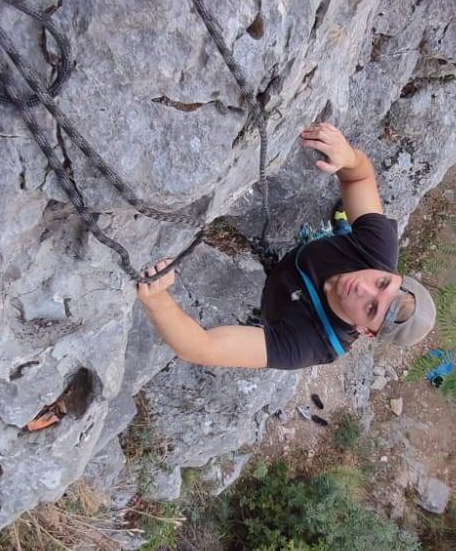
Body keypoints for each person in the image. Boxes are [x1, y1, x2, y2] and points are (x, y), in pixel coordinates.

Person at [137, 121, 436, 370]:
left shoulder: (307, 344)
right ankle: (344, 227)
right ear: (392, 273)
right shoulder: (377, 251)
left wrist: (157, 299)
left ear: (364, 332)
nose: (363, 288)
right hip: (312, 256)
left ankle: (343, 228)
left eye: (371, 308)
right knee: (349, 230)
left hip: (282, 304)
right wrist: (348, 158)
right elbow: (359, 178)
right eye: (382, 282)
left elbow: (201, 347)